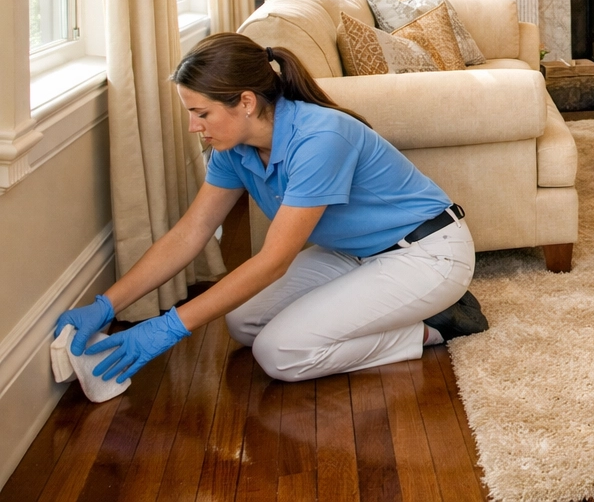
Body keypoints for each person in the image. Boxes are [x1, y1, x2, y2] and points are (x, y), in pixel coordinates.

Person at [53, 33, 488, 386]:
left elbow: (273, 262)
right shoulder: (233, 148)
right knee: (243, 323)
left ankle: (434, 327)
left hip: (426, 253)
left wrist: (168, 327)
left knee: (281, 353)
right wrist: (106, 304)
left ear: (245, 102)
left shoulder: (320, 139)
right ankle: (393, 307)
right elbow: (191, 232)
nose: (193, 126)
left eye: (201, 113)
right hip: (354, 253)